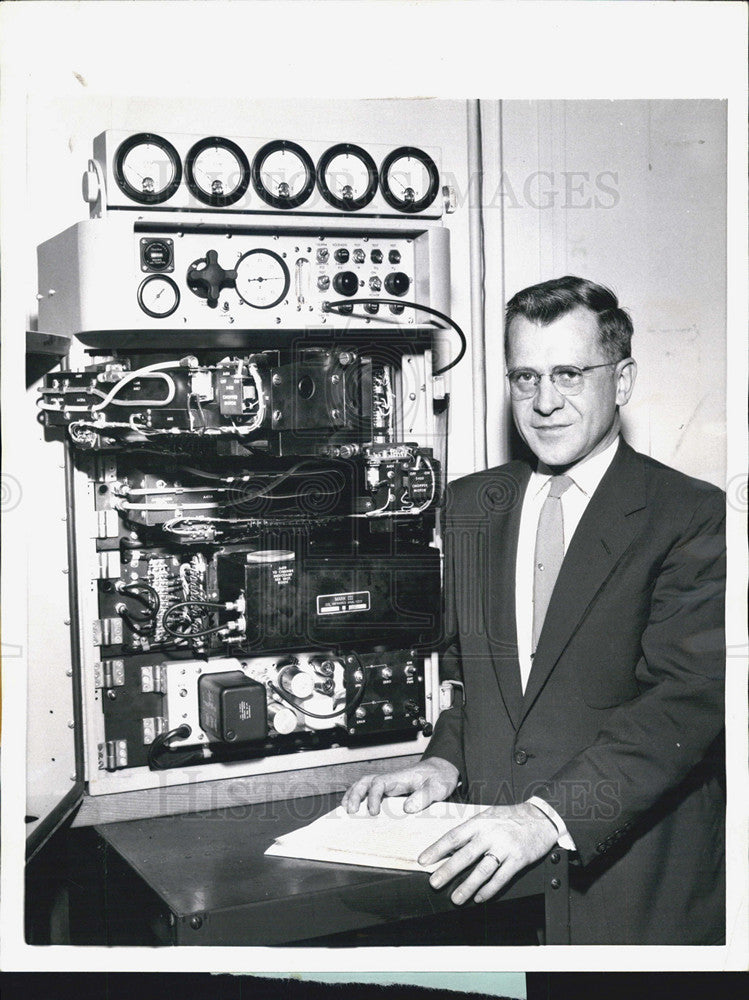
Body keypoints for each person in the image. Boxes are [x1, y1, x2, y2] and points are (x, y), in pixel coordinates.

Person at [343, 276, 725, 945]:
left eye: (568, 374)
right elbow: (477, 682)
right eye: (524, 377)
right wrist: (444, 763)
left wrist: (545, 817)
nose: (543, 402)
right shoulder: (469, 506)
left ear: (623, 379)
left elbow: (687, 701)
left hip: (630, 890)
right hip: (493, 882)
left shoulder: (688, 516)